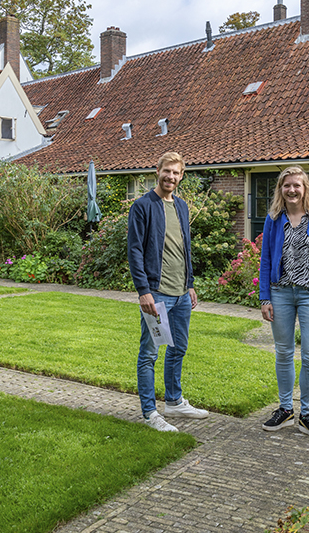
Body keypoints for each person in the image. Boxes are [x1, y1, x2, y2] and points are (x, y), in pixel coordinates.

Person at [127, 152, 209, 431]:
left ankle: (174, 401)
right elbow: (135, 250)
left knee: (178, 348)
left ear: (181, 175)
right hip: (157, 293)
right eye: (167, 171)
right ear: (157, 171)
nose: (170, 177)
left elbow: (185, 248)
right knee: (150, 353)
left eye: (176, 173)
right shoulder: (142, 206)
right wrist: (143, 290)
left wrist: (190, 283)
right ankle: (150, 413)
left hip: (181, 294)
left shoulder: (182, 207)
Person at [258, 166, 309, 440]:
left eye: (297, 186)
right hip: (280, 293)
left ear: (306, 189)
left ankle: (307, 414)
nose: (292, 190)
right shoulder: (274, 219)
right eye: (287, 185)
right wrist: (264, 296)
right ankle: (285, 409)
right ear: (281, 189)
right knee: (283, 353)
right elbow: (266, 259)